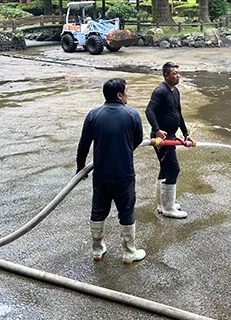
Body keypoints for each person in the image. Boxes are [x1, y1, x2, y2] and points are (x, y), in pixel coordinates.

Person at [76, 78, 146, 264]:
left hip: (101, 174)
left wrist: (80, 166)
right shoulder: (132, 115)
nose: (128, 94)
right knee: (126, 211)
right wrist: (124, 149)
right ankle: (129, 252)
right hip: (124, 174)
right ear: (119, 95)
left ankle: (97, 250)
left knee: (98, 210)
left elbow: (83, 144)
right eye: (126, 91)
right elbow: (138, 140)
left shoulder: (94, 115)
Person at [145, 61, 193, 219]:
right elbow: (149, 111)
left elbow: (178, 113)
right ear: (166, 75)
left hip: (172, 136)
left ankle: (162, 204)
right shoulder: (160, 91)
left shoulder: (175, 91)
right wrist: (157, 131)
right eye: (174, 73)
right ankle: (168, 208)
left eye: (179, 73)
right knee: (173, 169)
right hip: (162, 139)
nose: (178, 76)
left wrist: (185, 133)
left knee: (165, 169)